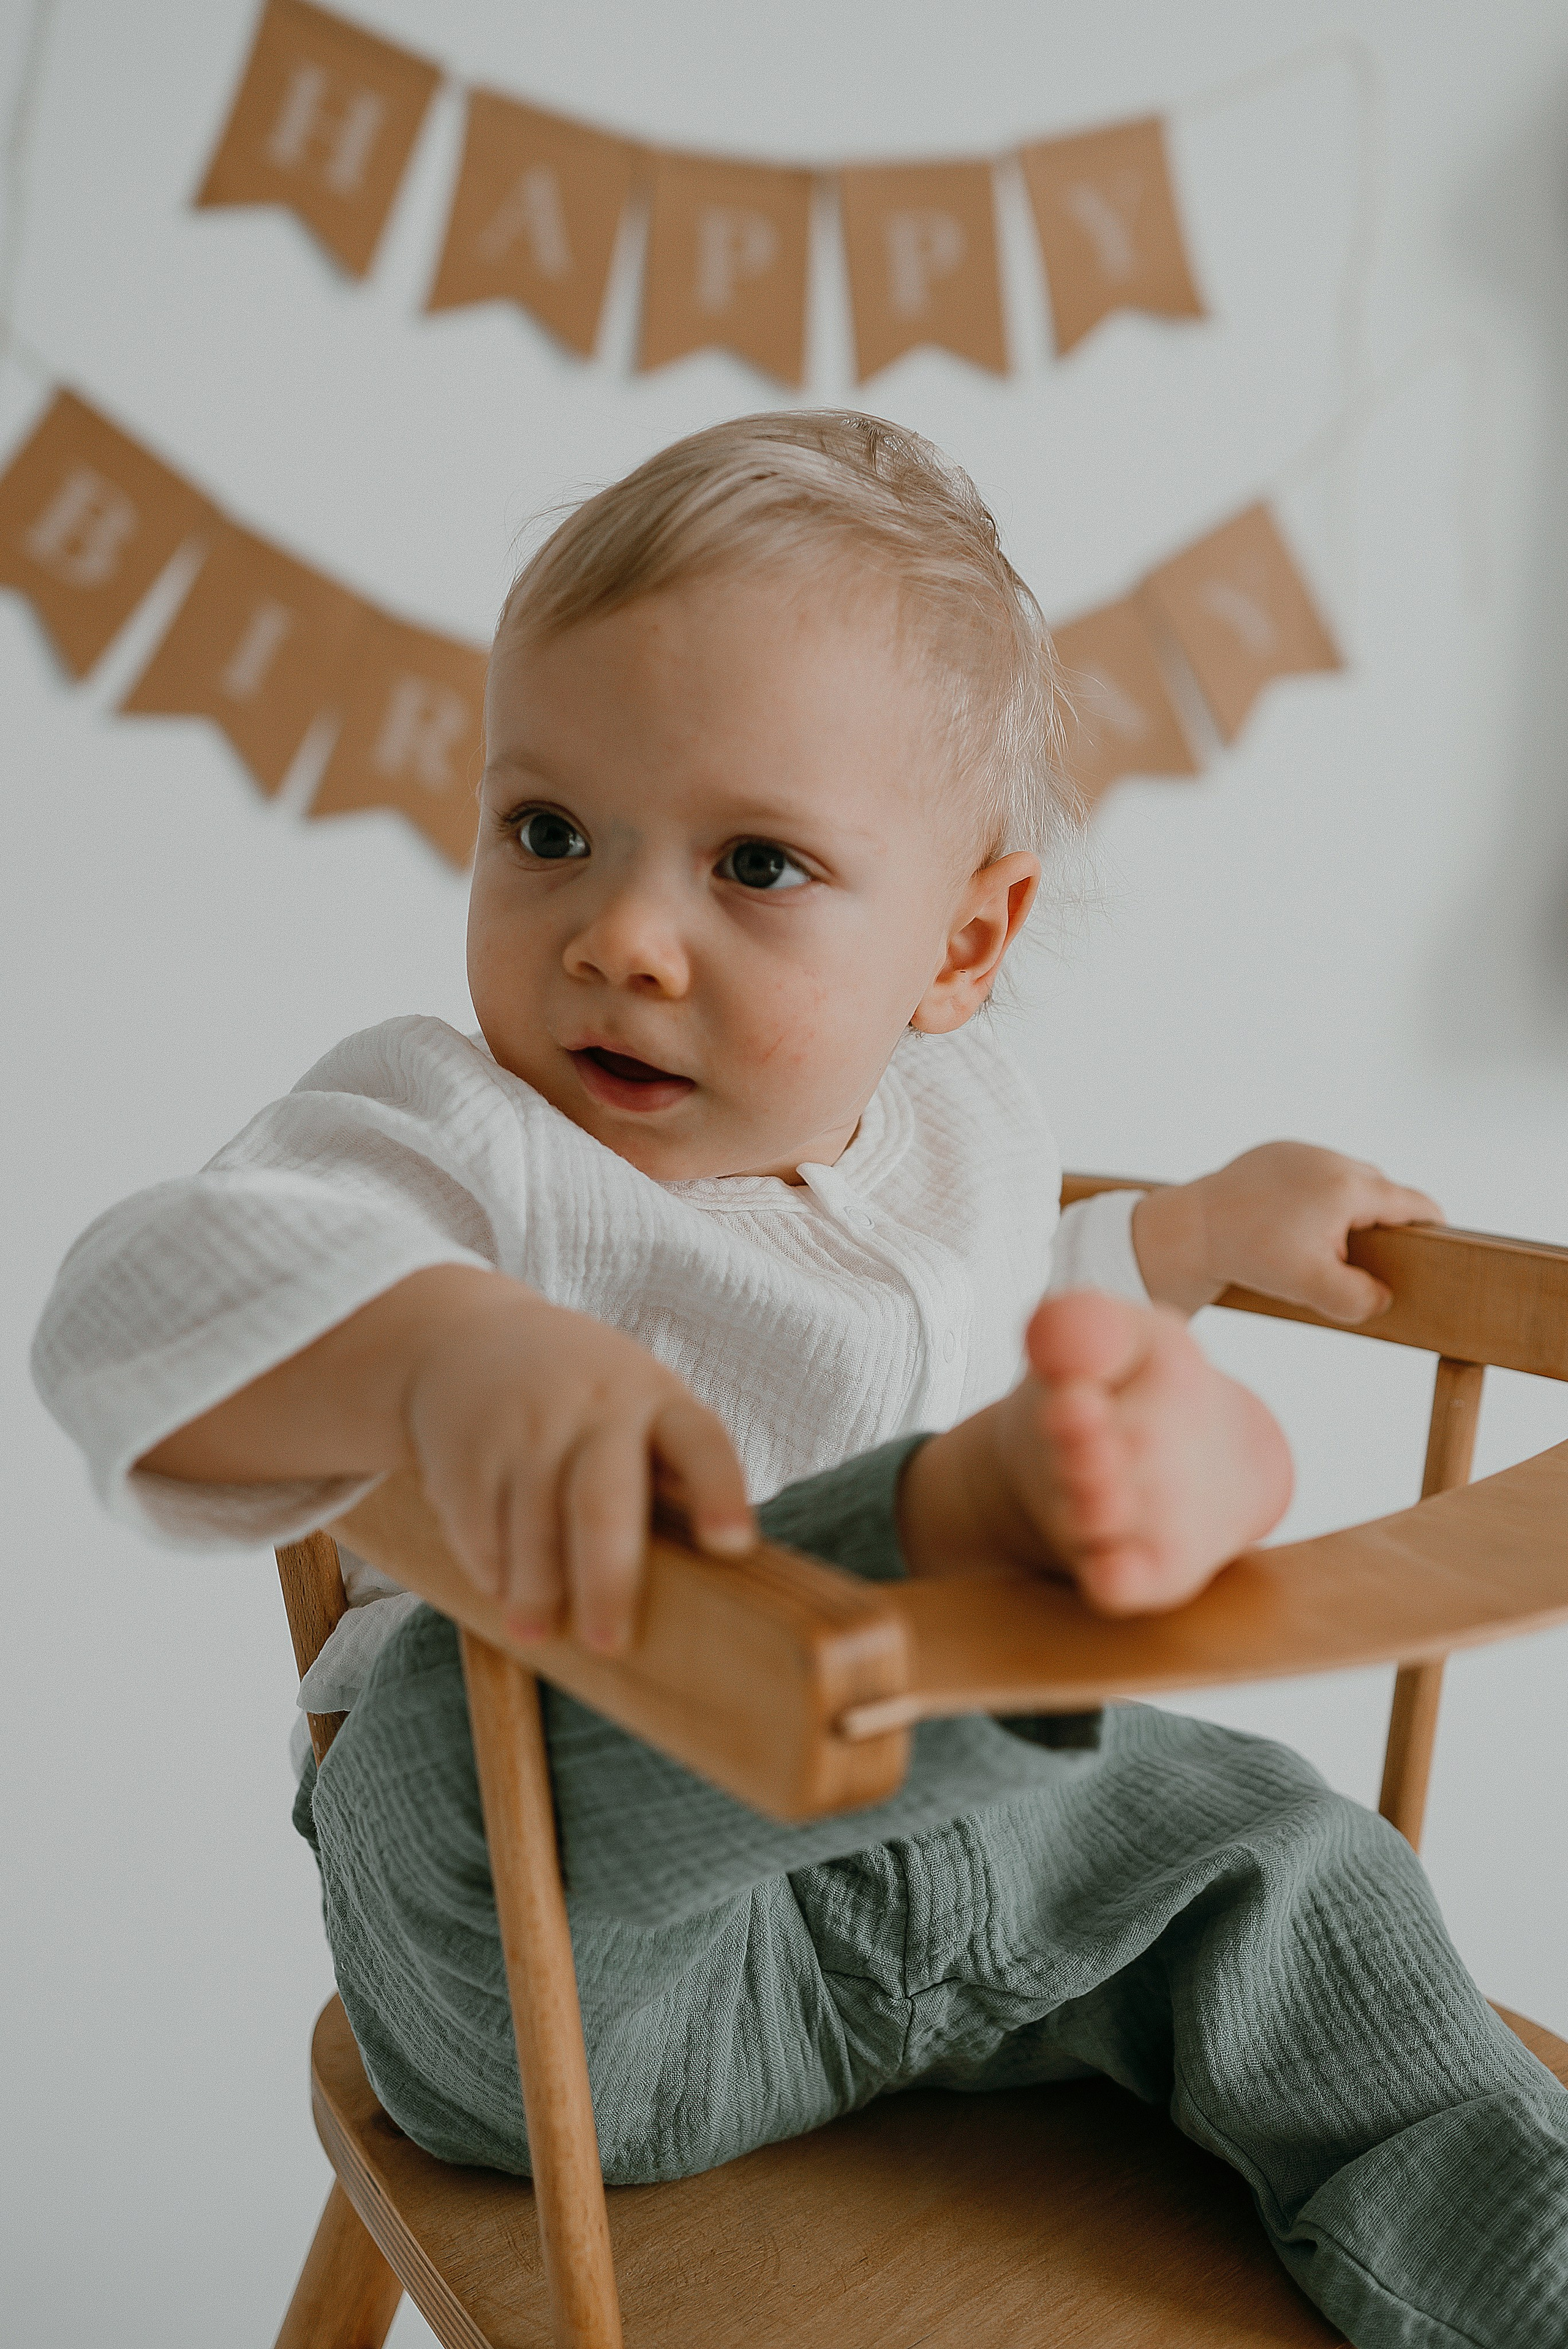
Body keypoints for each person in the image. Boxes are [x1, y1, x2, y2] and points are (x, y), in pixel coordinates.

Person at [32, 413, 1564, 2347]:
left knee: (1291, 1859)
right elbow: (128, 1303)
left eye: (755, 862)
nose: (619, 935)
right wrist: (433, 1348)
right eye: (548, 832)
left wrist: (1178, 1246)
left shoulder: (964, 1135)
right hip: (564, 1962)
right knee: (474, 1701)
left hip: (959, 1874)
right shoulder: (454, 1141)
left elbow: (995, 1305)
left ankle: (1524, 2258)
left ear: (964, 943)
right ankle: (981, 1538)